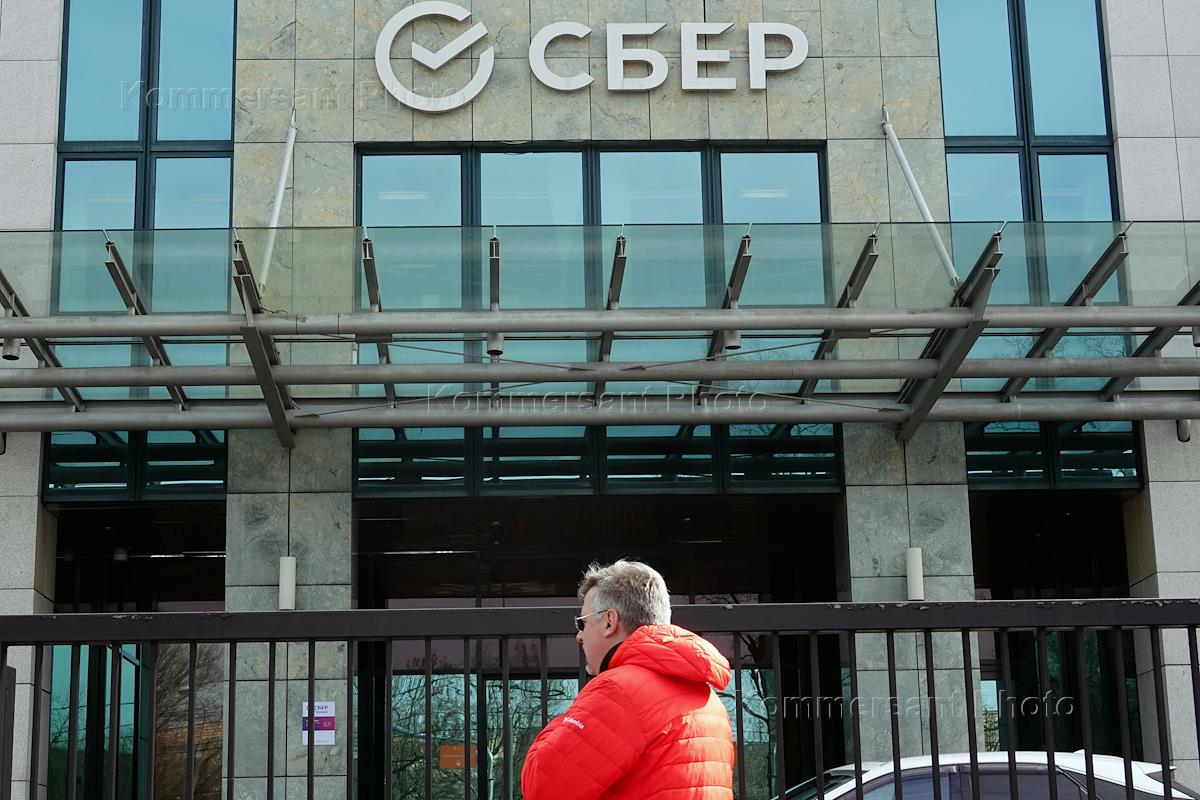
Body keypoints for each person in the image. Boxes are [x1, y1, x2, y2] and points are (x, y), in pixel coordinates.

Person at [521, 559, 735, 799]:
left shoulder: (618, 690)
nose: (579, 636)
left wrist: (568, 717)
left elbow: (543, 787)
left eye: (583, 623)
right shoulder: (708, 699)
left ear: (609, 621)